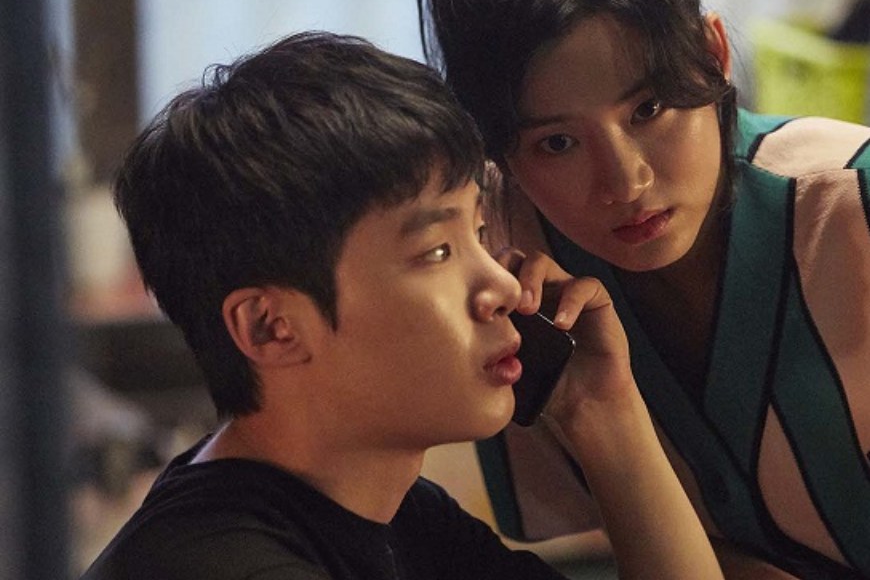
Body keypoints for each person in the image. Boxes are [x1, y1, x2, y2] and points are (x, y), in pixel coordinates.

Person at [80, 31, 724, 580]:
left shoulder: (397, 513)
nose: (502, 287)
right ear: (271, 327)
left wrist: (603, 412)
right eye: (437, 252)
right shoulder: (220, 564)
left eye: (478, 233)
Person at [416, 0, 870, 579]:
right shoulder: (511, 270)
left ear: (713, 53)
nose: (626, 182)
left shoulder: (853, 202)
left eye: (649, 109)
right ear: (499, 150)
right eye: (557, 143)